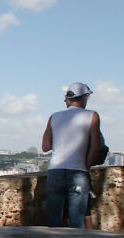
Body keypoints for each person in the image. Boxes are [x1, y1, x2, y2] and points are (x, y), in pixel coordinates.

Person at [42, 82, 100, 228]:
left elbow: (45, 147)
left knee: (54, 221)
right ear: (86, 97)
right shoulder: (92, 116)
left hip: (55, 171)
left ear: (68, 98)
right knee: (77, 222)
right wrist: (86, 167)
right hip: (78, 171)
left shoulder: (54, 117)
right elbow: (95, 147)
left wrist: (62, 138)